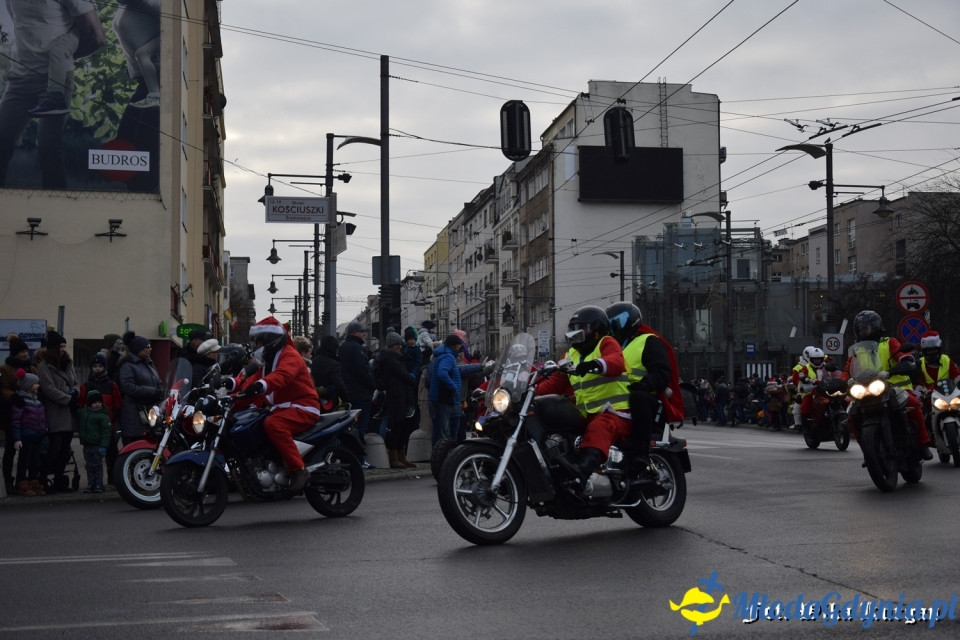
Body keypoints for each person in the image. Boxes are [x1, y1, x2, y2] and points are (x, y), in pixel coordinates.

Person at [0, 0, 106, 188]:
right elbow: (19, 21)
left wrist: (62, 60)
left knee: (48, 150)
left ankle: (57, 210)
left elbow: (97, 37)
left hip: (55, 81)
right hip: (20, 79)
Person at [222, 316, 320, 493]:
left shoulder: (290, 355)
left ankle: (298, 470)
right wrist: (231, 392)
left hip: (302, 406)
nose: (257, 347)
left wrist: (262, 385)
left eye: (259, 342)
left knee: (273, 424)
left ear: (270, 340)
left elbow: (283, 375)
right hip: (282, 408)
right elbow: (251, 381)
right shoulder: (268, 362)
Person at [535, 305, 632, 481]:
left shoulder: (606, 343)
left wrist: (596, 364)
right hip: (585, 415)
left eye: (582, 328)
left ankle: (582, 470)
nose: (577, 333)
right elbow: (555, 382)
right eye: (573, 329)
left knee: (599, 428)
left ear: (596, 331)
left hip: (614, 411)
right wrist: (529, 391)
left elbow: (616, 362)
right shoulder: (570, 354)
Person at [842, 310, 932, 460]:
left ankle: (923, 444)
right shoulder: (857, 350)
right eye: (860, 329)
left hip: (896, 387)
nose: (863, 331)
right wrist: (844, 380)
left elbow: (899, 353)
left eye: (866, 327)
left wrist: (905, 360)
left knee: (914, 404)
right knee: (851, 415)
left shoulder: (889, 342)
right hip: (866, 391)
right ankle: (868, 452)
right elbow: (847, 369)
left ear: (876, 326)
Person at [606, 302, 684, 467]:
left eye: (619, 320)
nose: (615, 326)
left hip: (649, 401)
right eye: (611, 323)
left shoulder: (648, 341)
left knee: (638, 397)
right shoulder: (613, 347)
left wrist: (645, 384)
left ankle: (641, 452)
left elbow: (662, 372)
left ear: (632, 320)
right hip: (620, 400)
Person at [37, 330, 80, 492]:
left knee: (64, 450)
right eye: (60, 346)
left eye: (64, 346)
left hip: (68, 414)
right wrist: (67, 398)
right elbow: (48, 389)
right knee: (54, 449)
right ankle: (42, 479)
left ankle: (59, 481)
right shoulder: (44, 367)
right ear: (53, 348)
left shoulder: (68, 363)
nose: (63, 349)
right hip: (55, 412)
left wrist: (75, 392)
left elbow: (75, 383)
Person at [375, 332, 419, 469]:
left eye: (401, 344)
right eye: (397, 344)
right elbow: (403, 375)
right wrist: (412, 379)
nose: (400, 346)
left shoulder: (394, 357)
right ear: (391, 346)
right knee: (397, 426)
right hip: (396, 395)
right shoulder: (392, 359)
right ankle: (394, 458)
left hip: (400, 394)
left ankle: (401, 456)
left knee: (402, 426)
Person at [78, 353, 121, 485]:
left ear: (104, 367)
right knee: (93, 456)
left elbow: (117, 403)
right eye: (95, 366)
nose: (97, 368)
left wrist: (112, 418)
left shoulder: (111, 385)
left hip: (108, 424)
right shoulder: (86, 385)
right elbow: (81, 404)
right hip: (92, 427)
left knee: (112, 453)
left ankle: (113, 479)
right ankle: (95, 481)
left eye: (100, 366)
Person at [339, 322, 377, 469]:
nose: (364, 334)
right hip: (361, 393)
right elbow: (362, 370)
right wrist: (372, 384)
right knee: (361, 427)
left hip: (348, 392)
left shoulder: (342, 348)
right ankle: (359, 460)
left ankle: (346, 457)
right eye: (362, 332)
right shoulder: (357, 348)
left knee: (348, 427)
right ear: (355, 333)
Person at [2, 335, 35, 495]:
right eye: (21, 351)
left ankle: (23, 481)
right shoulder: (5, 369)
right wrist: (14, 396)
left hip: (29, 415)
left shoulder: (31, 368)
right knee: (10, 449)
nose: (25, 354)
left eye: (26, 351)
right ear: (14, 353)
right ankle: (8, 481)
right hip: (11, 415)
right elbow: (3, 389)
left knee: (27, 450)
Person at [112, 0, 161, 109]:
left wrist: (146, 51)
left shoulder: (148, 3)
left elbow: (177, 25)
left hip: (159, 79)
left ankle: (155, 97)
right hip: (144, 81)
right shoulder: (123, 5)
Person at [117, 335, 163, 447]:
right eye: (147, 347)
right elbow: (129, 387)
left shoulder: (149, 363)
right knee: (133, 445)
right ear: (138, 349)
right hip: (134, 413)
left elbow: (158, 382)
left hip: (149, 412)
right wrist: (153, 391)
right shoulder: (128, 366)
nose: (150, 349)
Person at [10, 369, 47, 497]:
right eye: (35, 383)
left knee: (34, 462)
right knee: (24, 461)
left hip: (37, 436)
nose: (38, 385)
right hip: (26, 436)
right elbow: (16, 421)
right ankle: (22, 484)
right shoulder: (21, 401)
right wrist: (17, 438)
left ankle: (33, 483)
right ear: (28, 386)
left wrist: (44, 430)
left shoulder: (37, 400)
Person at [428, 334, 465, 446]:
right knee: (445, 431)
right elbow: (442, 373)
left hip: (440, 397)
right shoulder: (448, 357)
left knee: (440, 429)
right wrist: (453, 387)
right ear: (455, 346)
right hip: (445, 397)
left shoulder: (442, 355)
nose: (460, 347)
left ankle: (438, 454)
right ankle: (444, 456)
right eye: (459, 345)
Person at [77, 389, 111, 493]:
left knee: (97, 466)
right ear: (89, 404)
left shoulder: (103, 417)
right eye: (94, 403)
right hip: (87, 445)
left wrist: (104, 446)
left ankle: (98, 484)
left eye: (99, 402)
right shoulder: (84, 413)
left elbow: (106, 433)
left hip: (98, 446)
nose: (97, 404)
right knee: (89, 466)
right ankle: (91, 483)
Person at [311, 335, 349, 412]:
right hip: (329, 401)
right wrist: (347, 400)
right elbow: (339, 385)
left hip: (315, 400)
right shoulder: (334, 364)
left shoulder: (314, 361)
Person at [793, 346, 825, 431]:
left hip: (825, 390)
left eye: (819, 359)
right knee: (804, 405)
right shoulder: (806, 367)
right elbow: (799, 377)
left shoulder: (825, 366)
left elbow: (833, 374)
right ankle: (804, 426)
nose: (817, 361)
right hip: (810, 391)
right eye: (815, 359)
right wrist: (805, 379)